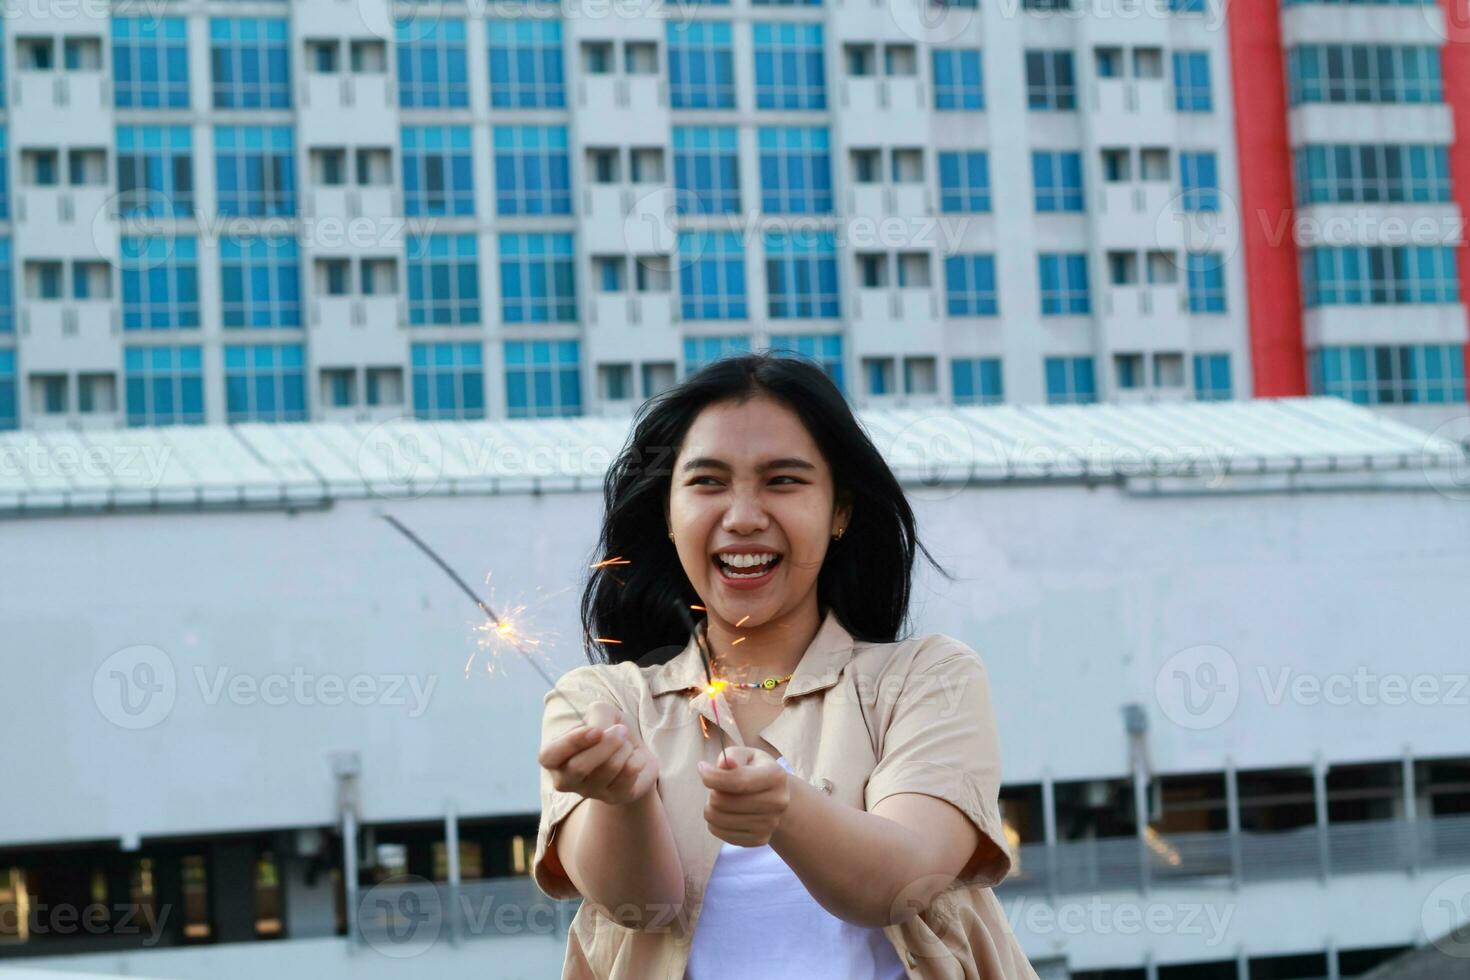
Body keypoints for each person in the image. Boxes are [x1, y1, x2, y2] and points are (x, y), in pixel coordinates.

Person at [533, 351, 1040, 979]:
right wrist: (626, 799)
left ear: (841, 511)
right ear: (668, 513)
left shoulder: (927, 679)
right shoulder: (599, 702)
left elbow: (900, 883)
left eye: (783, 481)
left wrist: (787, 810)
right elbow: (643, 906)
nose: (743, 517)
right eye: (708, 482)